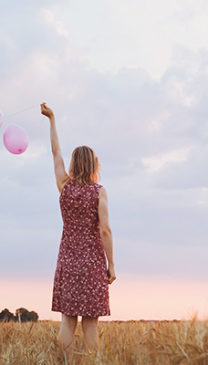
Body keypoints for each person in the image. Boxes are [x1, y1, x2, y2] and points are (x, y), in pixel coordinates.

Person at [41, 102, 116, 362]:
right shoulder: (99, 192)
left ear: (74, 163)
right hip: (93, 262)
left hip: (68, 260)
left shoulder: (64, 186)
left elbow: (54, 152)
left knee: (68, 321)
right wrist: (112, 265)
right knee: (91, 323)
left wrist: (52, 120)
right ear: (94, 164)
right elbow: (104, 230)